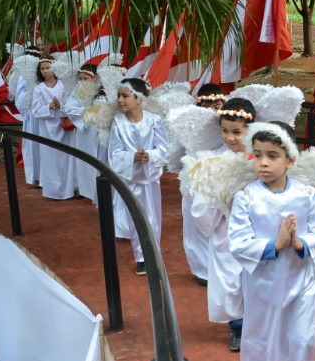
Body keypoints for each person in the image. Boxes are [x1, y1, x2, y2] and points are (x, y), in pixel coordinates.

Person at [228, 122, 315, 361]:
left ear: (290, 160)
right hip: (263, 283)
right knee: (267, 336)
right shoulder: (247, 197)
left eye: (272, 155)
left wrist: (300, 242)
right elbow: (237, 240)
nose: (263, 162)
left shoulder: (306, 194)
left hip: (300, 280)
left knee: (300, 334)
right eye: (257, 154)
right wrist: (274, 245)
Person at [191, 97, 257, 351]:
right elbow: (201, 201)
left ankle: (259, 324)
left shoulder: (258, 157)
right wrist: (220, 201)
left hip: (255, 230)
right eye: (225, 131)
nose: (230, 138)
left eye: (237, 132)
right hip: (224, 230)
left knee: (255, 277)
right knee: (230, 280)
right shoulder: (211, 161)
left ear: (249, 130)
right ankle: (237, 327)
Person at [108, 77, 169, 275]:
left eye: (125, 96)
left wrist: (149, 156)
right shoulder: (118, 122)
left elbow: (163, 148)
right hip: (130, 178)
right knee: (135, 218)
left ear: (140, 99)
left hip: (150, 179)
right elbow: (114, 153)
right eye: (119, 95)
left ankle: (151, 254)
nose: (120, 100)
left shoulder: (154, 120)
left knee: (152, 217)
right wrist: (133, 157)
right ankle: (141, 255)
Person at [182, 84, 227, 286]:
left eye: (216, 105)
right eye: (206, 105)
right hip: (194, 180)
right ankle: (202, 269)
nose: (212, 111)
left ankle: (221, 268)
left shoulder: (226, 125)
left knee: (220, 226)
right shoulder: (191, 127)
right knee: (194, 225)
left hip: (219, 180)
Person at [31, 55, 77, 200]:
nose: (46, 71)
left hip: (64, 128)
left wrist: (61, 106)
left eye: (48, 67)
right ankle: (53, 191)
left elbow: (71, 104)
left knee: (66, 157)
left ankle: (70, 188)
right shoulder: (38, 88)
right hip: (46, 128)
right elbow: (35, 110)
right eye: (43, 68)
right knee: (49, 158)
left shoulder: (63, 85)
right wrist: (48, 107)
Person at [63, 63, 107, 205]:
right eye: (80, 78)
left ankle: (105, 193)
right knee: (88, 163)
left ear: (95, 77)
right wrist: (87, 112)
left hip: (103, 132)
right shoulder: (77, 91)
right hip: (87, 132)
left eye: (86, 78)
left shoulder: (105, 90)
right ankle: (90, 192)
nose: (82, 81)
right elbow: (69, 107)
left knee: (104, 162)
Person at [15, 44, 43, 186]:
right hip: (31, 115)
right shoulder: (22, 76)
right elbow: (19, 97)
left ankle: (44, 176)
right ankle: (35, 177)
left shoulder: (43, 73)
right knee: (32, 145)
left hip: (43, 114)